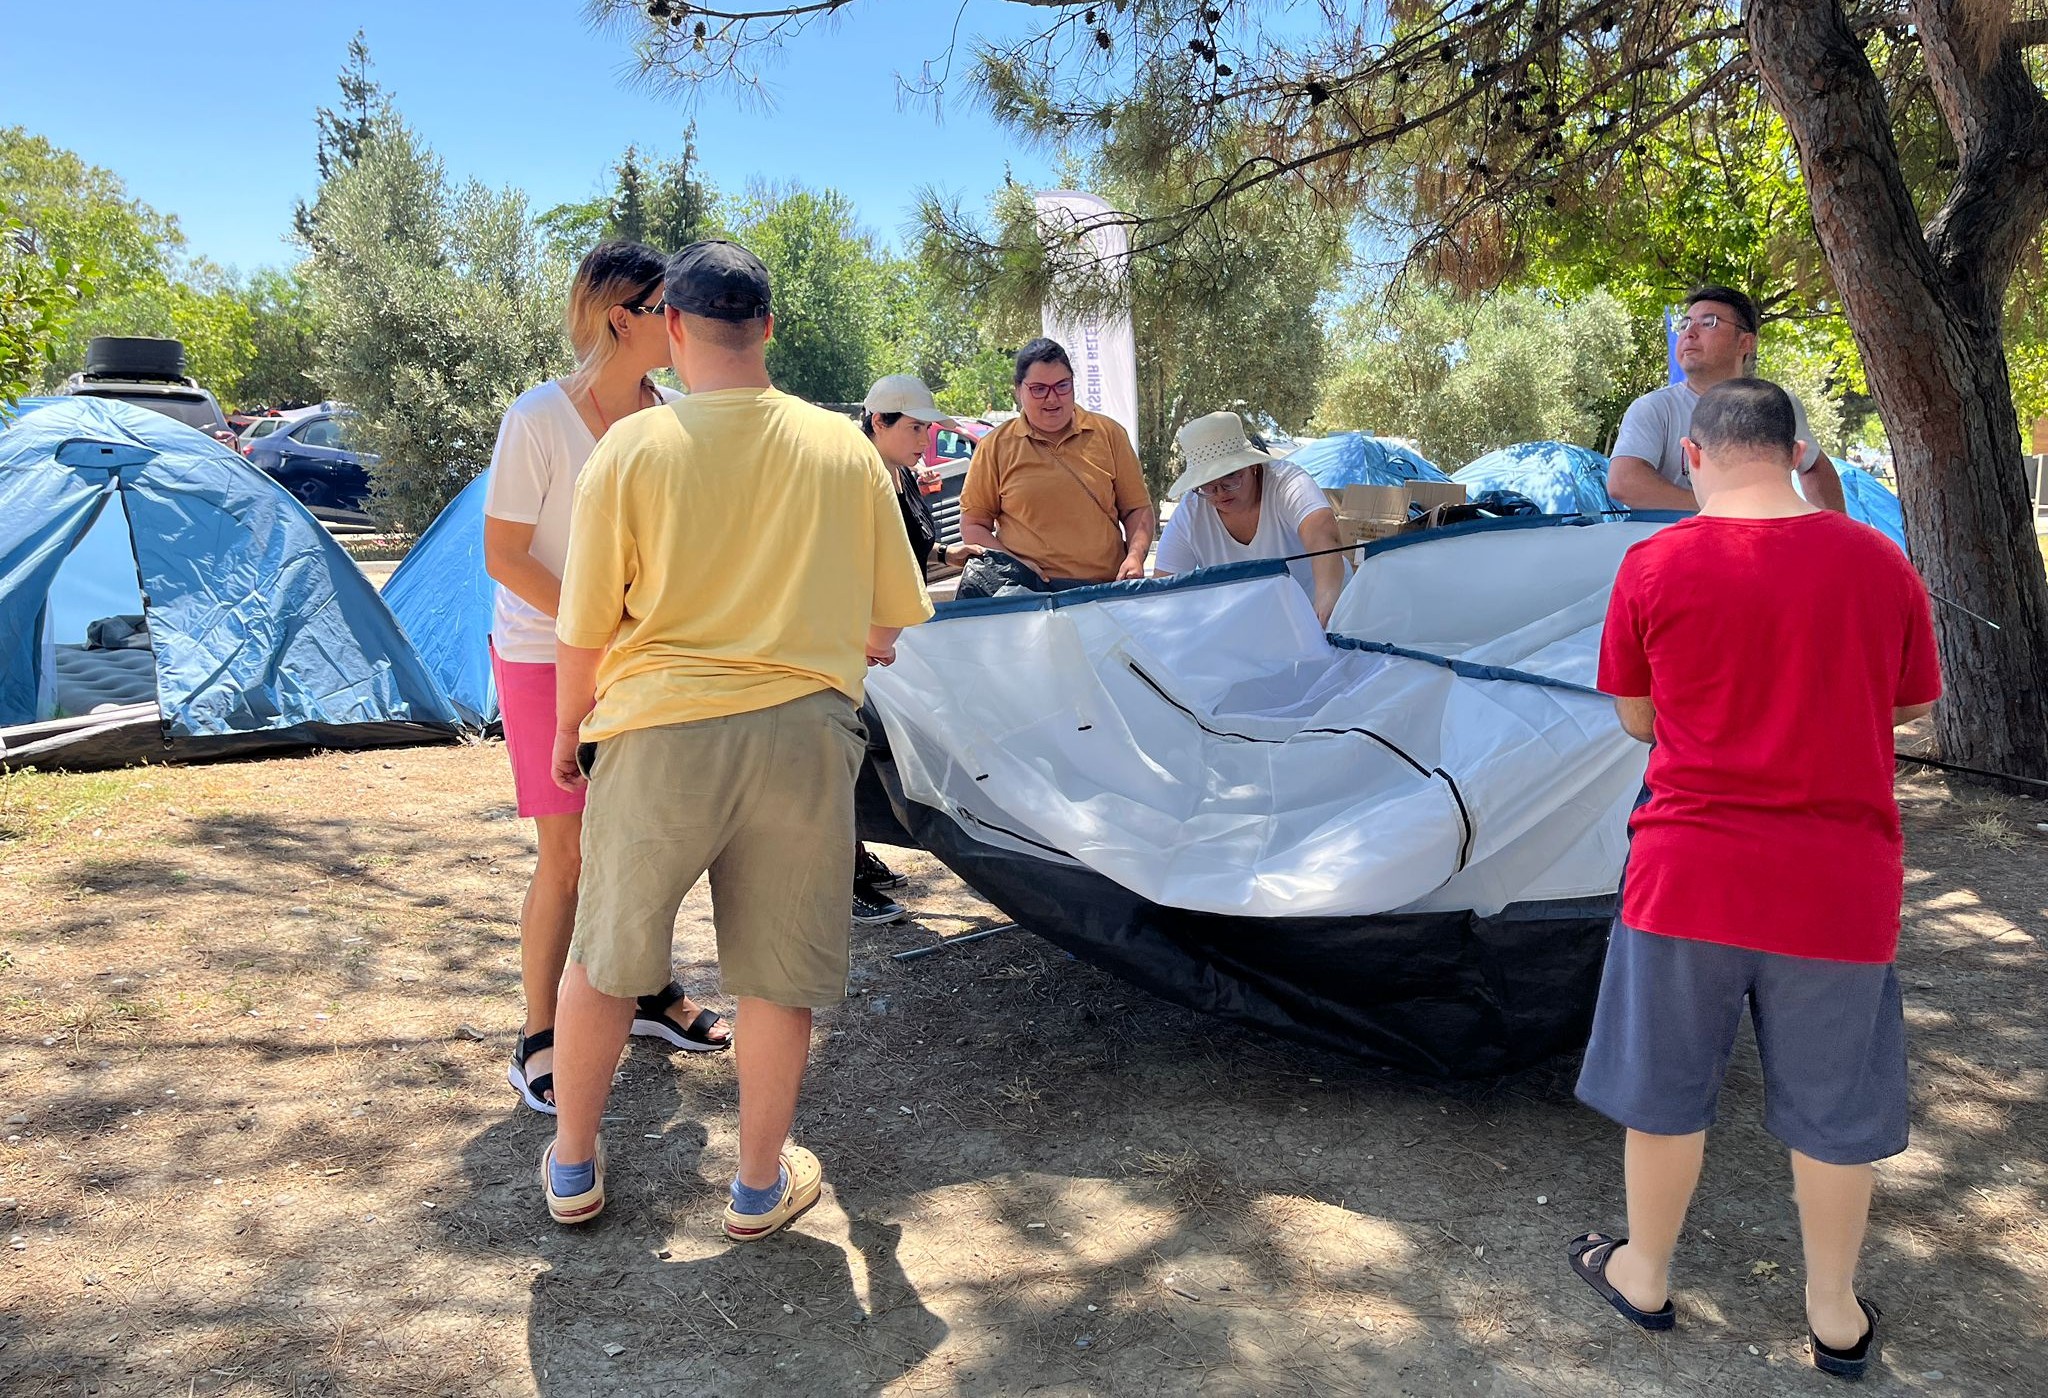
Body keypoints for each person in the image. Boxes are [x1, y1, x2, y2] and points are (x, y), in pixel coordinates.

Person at [540, 239, 934, 1237]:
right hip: (801, 739)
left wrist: (565, 732)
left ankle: (574, 1166)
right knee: (774, 972)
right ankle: (758, 1184)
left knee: (604, 959)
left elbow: (582, 627)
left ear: (670, 329)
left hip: (657, 735)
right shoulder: (844, 449)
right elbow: (886, 626)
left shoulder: (628, 448)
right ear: (769, 326)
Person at [1568, 378, 1940, 1380]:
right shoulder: (1876, 561)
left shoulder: (1652, 564)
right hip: (1837, 885)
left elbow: (1638, 721)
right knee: (1832, 1110)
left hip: (1686, 876)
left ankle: (1642, 1274)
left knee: (1666, 1093)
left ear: (1690, 458)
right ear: (1790, 451)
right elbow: (1905, 706)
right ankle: (1832, 1317)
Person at [481, 240, 729, 1117]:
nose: (683, 321)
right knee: (569, 855)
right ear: (625, 316)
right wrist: (606, 622)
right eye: (669, 304)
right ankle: (538, 1033)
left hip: (641, 666)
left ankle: (651, 994)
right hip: (545, 659)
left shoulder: (667, 414)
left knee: (645, 842)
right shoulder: (539, 418)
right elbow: (504, 553)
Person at [848, 373, 986, 924]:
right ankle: (844, 878)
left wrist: (950, 557)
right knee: (853, 754)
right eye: (914, 427)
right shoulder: (858, 475)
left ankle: (857, 856)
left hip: (886, 639)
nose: (925, 439)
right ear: (877, 422)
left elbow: (910, 554)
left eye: (928, 428)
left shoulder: (899, 475)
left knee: (869, 749)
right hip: (858, 641)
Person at [1608, 285, 1847, 515]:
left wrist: (1835, 532)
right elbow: (1624, 482)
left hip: (1759, 544)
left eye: (1708, 323)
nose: (1690, 333)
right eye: (1685, 324)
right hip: (1672, 543)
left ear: (1745, 343)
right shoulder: (1654, 408)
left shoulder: (1778, 403)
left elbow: (1814, 466)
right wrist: (1720, 507)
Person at [957, 338, 1155, 590]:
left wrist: (1135, 556)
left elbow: (1137, 508)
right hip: (1027, 594)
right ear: (1018, 390)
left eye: (1062, 386)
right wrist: (1015, 564)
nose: (1052, 399)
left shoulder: (1109, 434)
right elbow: (973, 525)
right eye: (1039, 389)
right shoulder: (995, 446)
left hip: (1105, 590)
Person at [1153, 410, 1347, 625]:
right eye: (1206, 485)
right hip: (1255, 625)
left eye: (1230, 479)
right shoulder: (1191, 512)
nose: (1219, 492)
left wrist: (1325, 603)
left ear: (1252, 466)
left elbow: (1323, 535)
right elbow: (1164, 589)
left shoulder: (1289, 483)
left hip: (1324, 615)